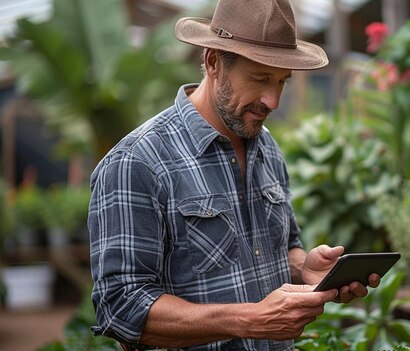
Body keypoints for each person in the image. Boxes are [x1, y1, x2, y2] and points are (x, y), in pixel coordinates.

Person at [88, 0, 380, 350]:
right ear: (213, 62)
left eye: (282, 81)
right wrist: (250, 319)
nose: (272, 101)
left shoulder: (265, 145)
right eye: (259, 79)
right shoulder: (138, 162)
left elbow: (278, 247)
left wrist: (305, 268)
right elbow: (121, 307)